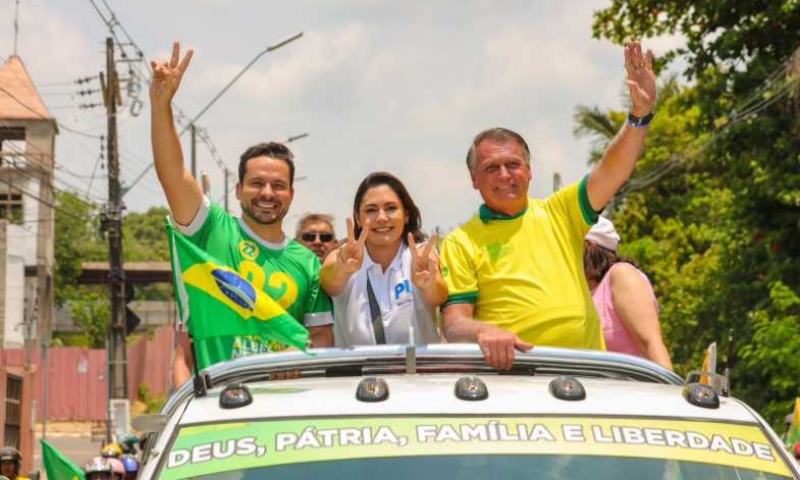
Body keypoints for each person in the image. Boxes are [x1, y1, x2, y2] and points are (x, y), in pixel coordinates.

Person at [440, 41, 657, 370]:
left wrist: (639, 116)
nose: (504, 175)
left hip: (588, 373)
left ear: (529, 171)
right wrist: (484, 330)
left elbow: (611, 172)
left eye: (513, 165)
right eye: (490, 168)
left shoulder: (560, 212)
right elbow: (454, 324)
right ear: (474, 179)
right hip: (514, 379)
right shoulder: (460, 242)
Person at [150, 42, 333, 387]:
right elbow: (172, 174)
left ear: (291, 195)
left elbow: (321, 337)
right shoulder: (210, 230)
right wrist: (161, 107)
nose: (267, 193)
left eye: (278, 185)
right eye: (257, 183)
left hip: (282, 409)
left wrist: (299, 360)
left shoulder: (308, 264)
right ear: (238, 190)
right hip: (218, 412)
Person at [321, 172, 446, 346]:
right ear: (358, 218)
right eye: (371, 210)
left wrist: (428, 283)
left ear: (406, 214)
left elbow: (438, 297)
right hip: (358, 371)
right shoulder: (341, 255)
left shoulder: (421, 255)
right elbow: (329, 283)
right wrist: (343, 270)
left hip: (418, 370)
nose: (381, 218)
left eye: (391, 208)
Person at [584, 217, 672, 369]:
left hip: (630, 389)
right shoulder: (583, 291)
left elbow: (650, 343)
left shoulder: (621, 275)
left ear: (588, 246)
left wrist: (671, 390)